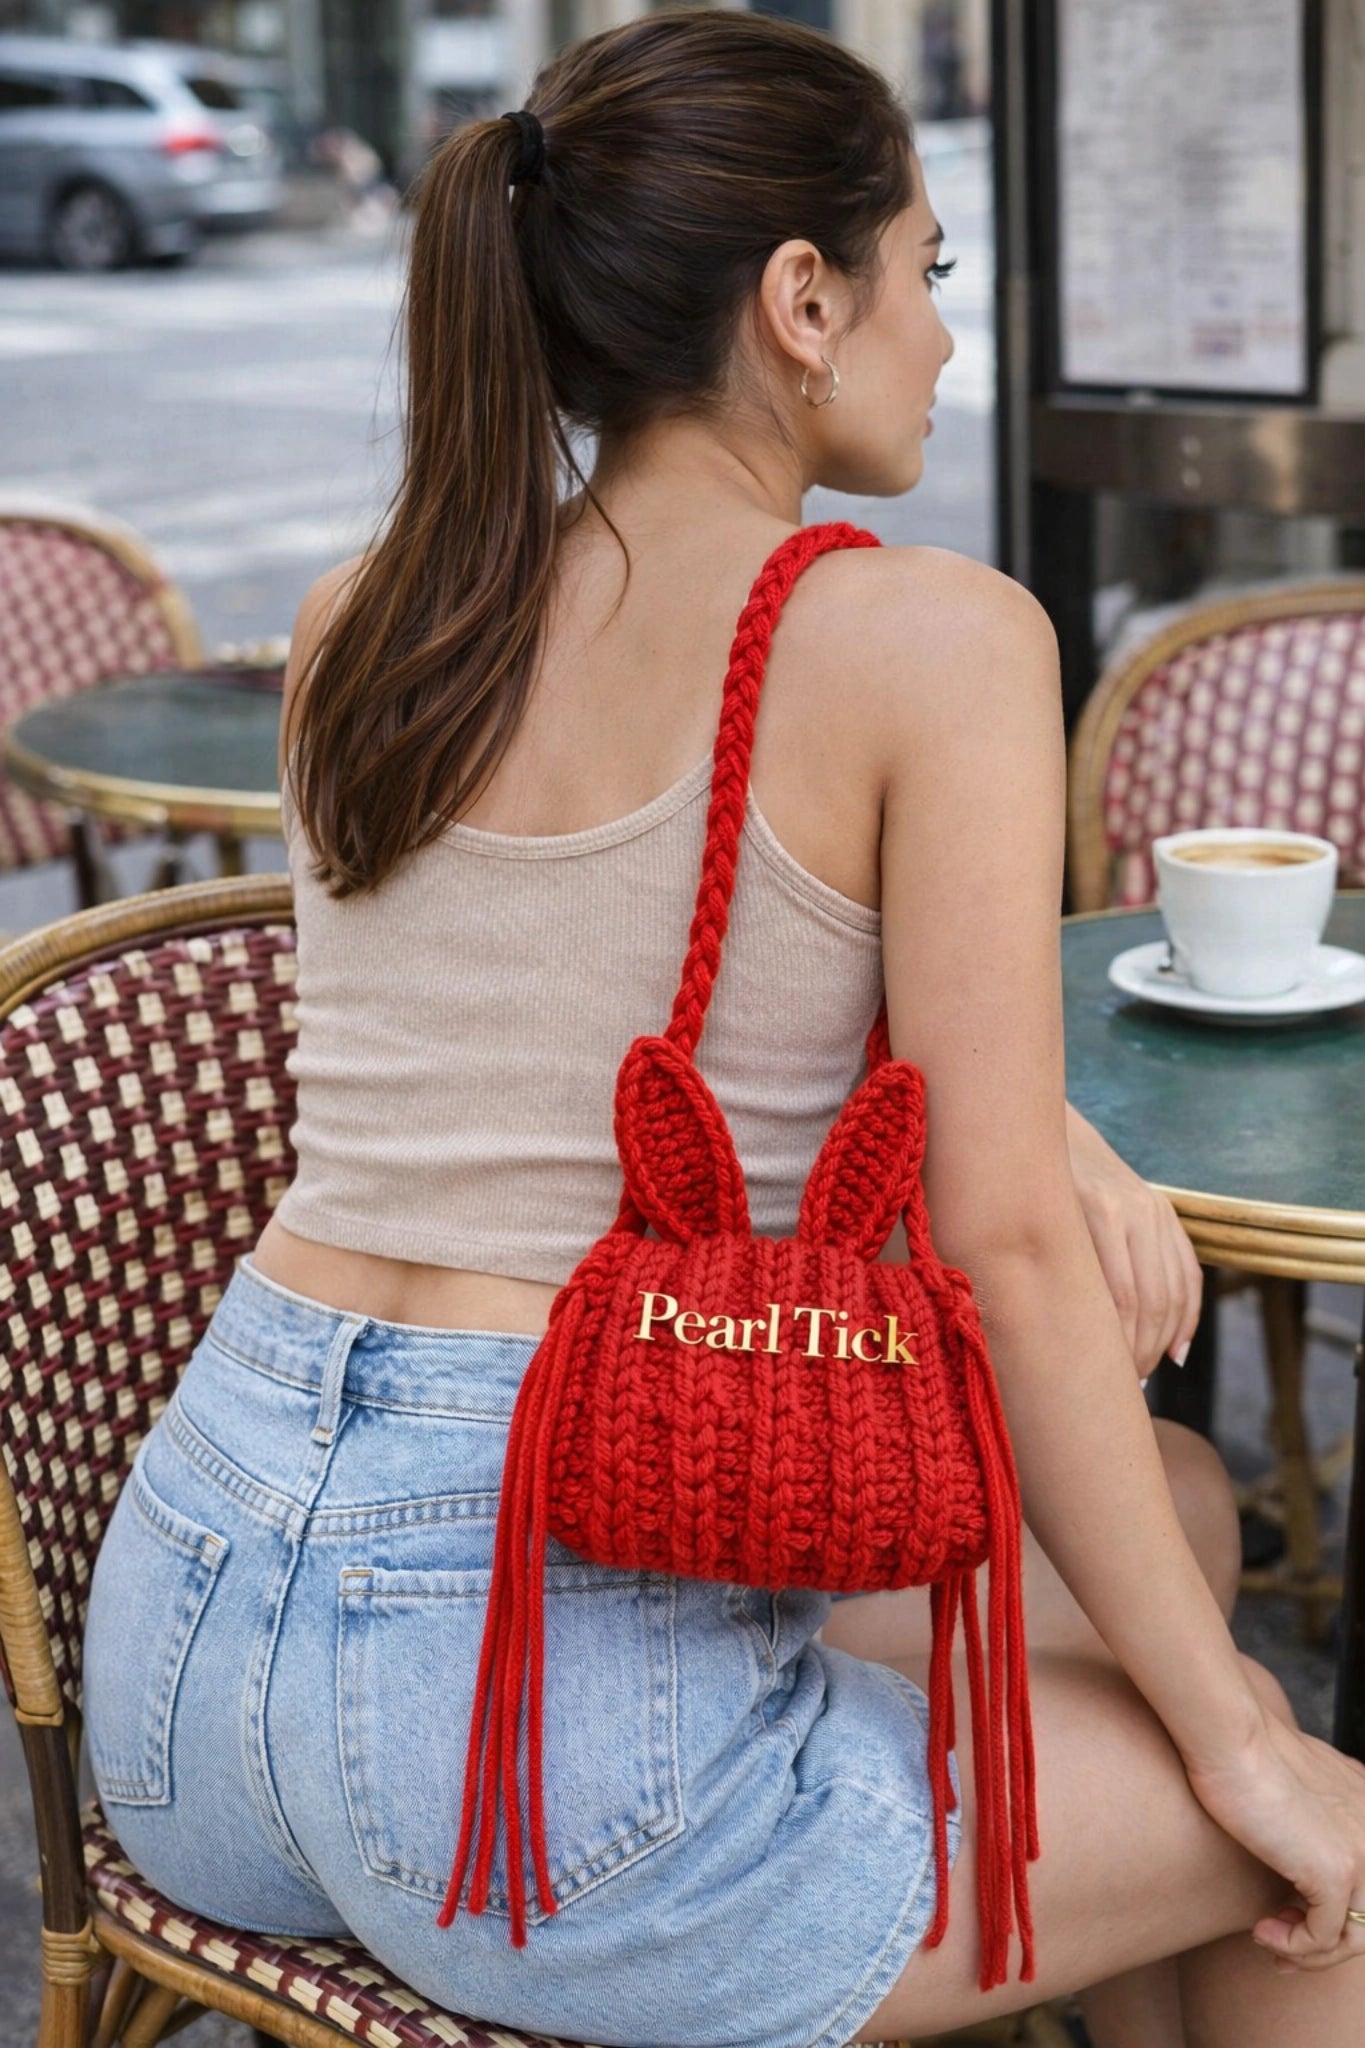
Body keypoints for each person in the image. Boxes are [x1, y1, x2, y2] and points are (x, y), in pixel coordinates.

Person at [82, 12, 1365, 2047]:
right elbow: (998, 1254)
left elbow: (556, 1029)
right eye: (925, 273)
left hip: (184, 1674)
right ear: (798, 300)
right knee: (1313, 1846)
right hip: (533, 1742)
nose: (943, 339)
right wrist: (1248, 1753)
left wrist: (1053, 1143)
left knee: (1181, 1535)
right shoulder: (927, 638)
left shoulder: (373, 611)